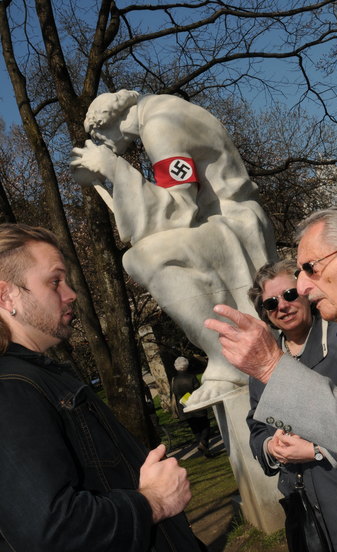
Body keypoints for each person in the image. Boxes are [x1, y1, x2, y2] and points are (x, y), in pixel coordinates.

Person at [204, 206, 337, 552]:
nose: (303, 287)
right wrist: (272, 447)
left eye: (310, 269)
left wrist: (272, 369)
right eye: (272, 302)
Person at [0, 223, 206, 552]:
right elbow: (52, 533)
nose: (70, 294)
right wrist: (153, 502)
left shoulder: (41, 379)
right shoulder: (11, 389)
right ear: (6, 294)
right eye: (55, 281)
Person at [70, 90, 278, 405]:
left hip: (234, 225)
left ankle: (228, 361)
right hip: (228, 222)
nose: (104, 143)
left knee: (146, 257)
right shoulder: (163, 110)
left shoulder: (159, 125)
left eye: (100, 135)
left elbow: (178, 210)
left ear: (111, 121)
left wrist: (113, 168)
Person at [246, 259, 337, 551]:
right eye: (271, 303)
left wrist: (317, 451)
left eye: (289, 295)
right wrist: (270, 448)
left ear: (306, 292)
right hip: (302, 505)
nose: (282, 306)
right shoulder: (264, 359)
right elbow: (256, 425)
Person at [172, 356, 212, 457]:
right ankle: (203, 443)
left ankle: (204, 449)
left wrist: (184, 400)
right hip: (195, 405)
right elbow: (198, 391)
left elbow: (175, 392)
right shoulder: (191, 377)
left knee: (196, 429)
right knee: (205, 425)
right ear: (187, 365)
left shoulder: (174, 380)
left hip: (184, 407)